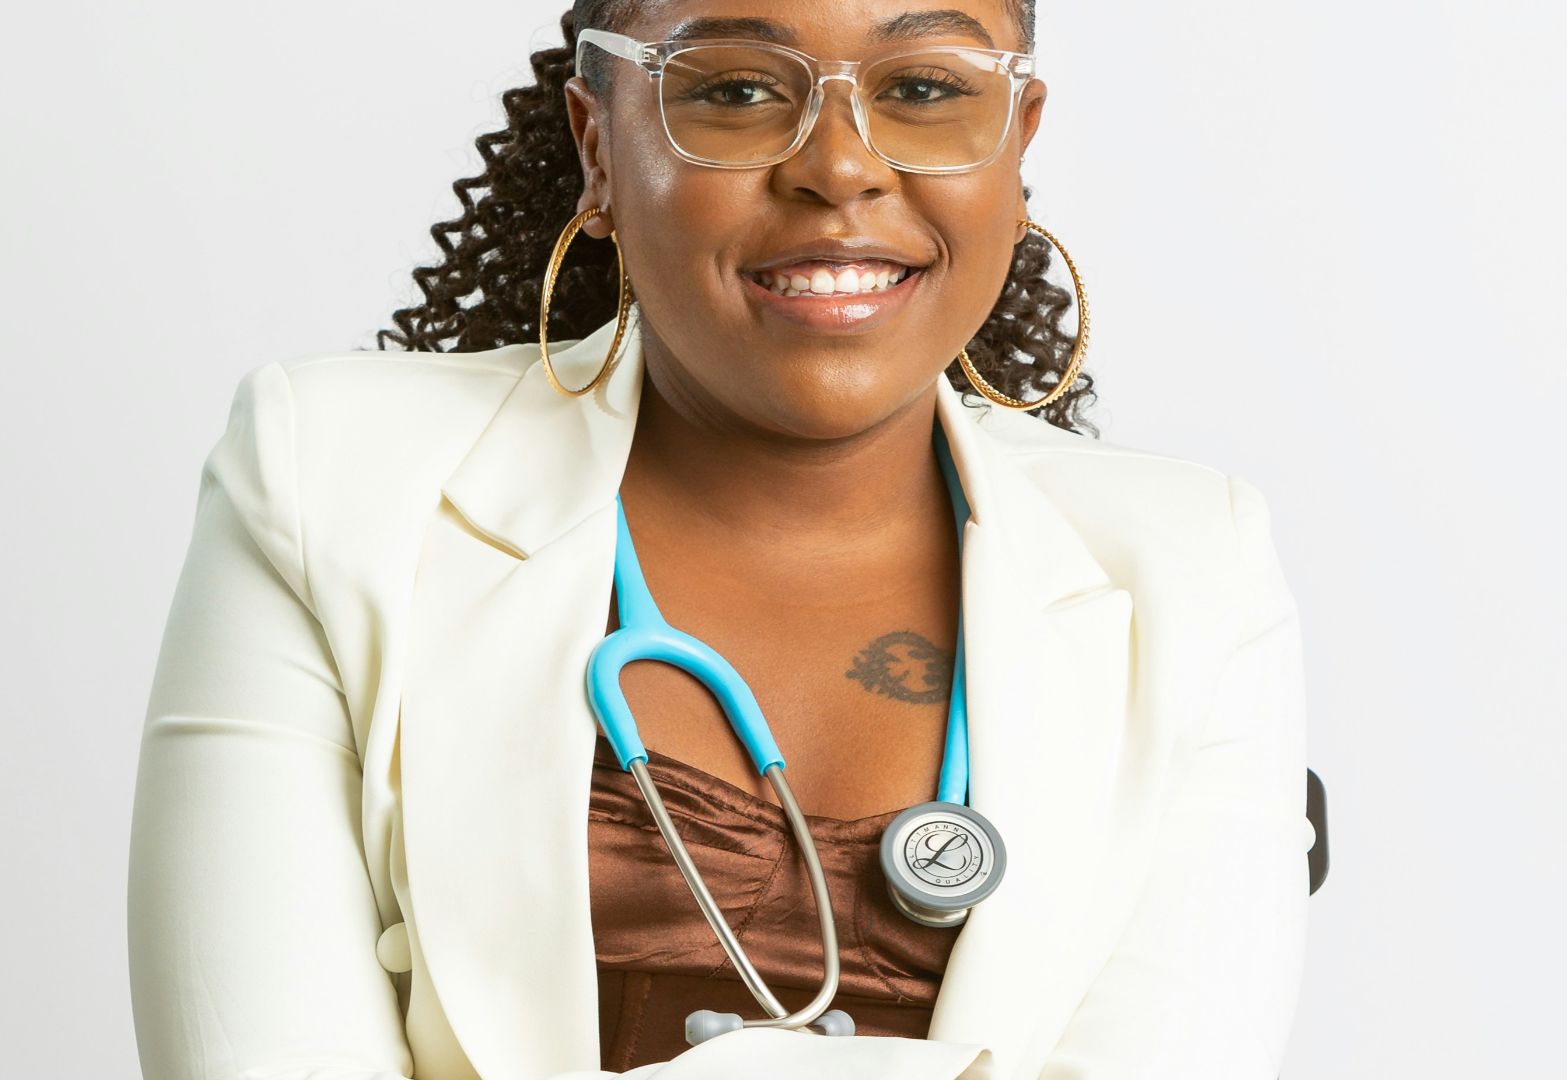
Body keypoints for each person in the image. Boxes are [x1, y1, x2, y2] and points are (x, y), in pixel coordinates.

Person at [126, 2, 1313, 1077]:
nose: (841, 166)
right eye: (738, 90)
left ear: (1017, 135)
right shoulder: (327, 480)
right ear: (599, 145)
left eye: (925, 88)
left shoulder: (1190, 567)